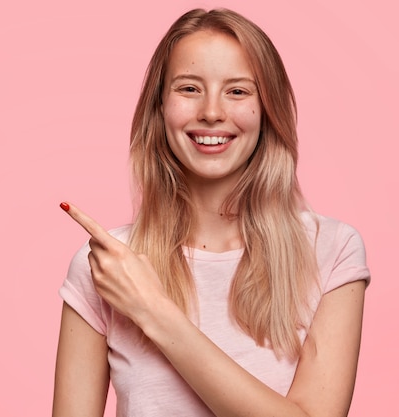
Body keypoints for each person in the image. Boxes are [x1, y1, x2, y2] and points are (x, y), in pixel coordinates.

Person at [52, 8, 370, 417]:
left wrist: (155, 312)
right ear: (160, 107)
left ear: (267, 110)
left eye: (237, 91)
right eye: (189, 89)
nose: (212, 112)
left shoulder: (332, 251)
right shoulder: (108, 267)